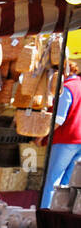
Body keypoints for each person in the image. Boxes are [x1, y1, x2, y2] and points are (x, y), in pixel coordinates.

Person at [43, 61, 81, 208]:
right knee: (66, 184)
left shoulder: (67, 88)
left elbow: (59, 119)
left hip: (66, 140)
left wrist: (42, 135)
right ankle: (59, 212)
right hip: (79, 141)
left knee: (52, 181)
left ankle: (45, 212)